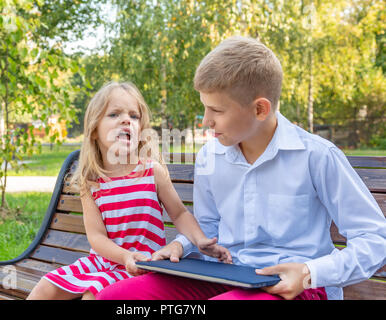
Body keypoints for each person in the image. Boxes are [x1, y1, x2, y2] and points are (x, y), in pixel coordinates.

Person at [96, 36, 386, 300]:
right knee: (116, 299)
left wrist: (311, 272)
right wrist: (182, 245)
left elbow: (375, 240)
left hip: (294, 286)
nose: (206, 121)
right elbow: (208, 227)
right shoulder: (210, 156)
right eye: (205, 107)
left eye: (217, 111)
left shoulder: (316, 156)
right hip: (226, 275)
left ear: (260, 109)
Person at [26, 81, 231, 300]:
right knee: (45, 287)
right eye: (114, 114)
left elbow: (180, 214)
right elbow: (96, 237)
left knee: (92, 296)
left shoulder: (151, 171)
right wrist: (123, 256)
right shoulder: (92, 182)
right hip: (106, 259)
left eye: (134, 116)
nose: (126, 120)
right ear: (94, 130)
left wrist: (199, 240)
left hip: (142, 264)